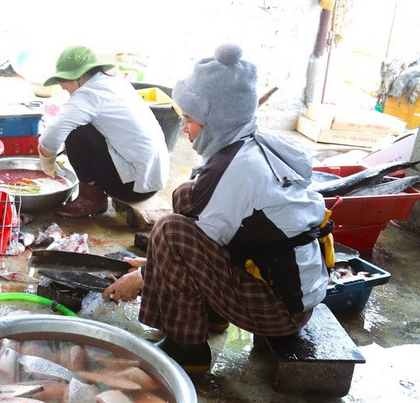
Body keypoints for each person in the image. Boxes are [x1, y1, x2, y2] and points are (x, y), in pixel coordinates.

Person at [101, 44, 331, 373]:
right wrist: (156, 262)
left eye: (191, 119)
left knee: (169, 232)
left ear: (215, 121)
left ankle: (186, 350)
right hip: (289, 293)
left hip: (279, 310)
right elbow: (210, 231)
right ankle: (213, 315)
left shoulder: (234, 169)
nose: (185, 128)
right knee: (186, 195)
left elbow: (188, 242)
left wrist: (145, 274)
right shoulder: (252, 145)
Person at [39, 45, 170, 217]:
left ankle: (92, 198)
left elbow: (49, 140)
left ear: (79, 77)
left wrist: (48, 170)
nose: (67, 92)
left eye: (66, 87)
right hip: (154, 178)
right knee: (82, 127)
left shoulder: (88, 95)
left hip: (132, 188)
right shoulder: (116, 83)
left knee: (76, 132)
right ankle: (97, 191)